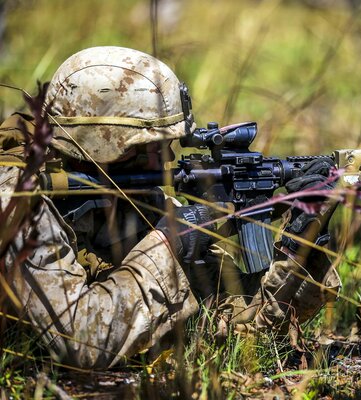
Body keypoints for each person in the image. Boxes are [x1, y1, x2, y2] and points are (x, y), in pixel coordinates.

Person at [0, 46, 340, 369]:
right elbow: (82, 343)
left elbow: (235, 323)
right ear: (105, 142)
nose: (169, 158)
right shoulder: (17, 200)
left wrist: (301, 245)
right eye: (154, 146)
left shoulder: (132, 195)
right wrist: (167, 244)